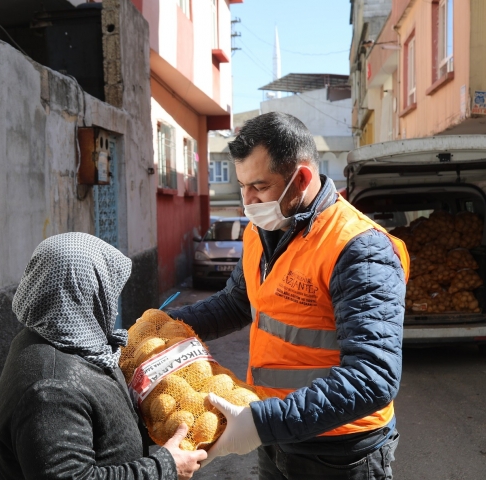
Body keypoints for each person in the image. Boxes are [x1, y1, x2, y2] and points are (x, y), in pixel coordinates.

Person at [167, 112, 409, 479]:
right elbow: (235, 302)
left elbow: (373, 376)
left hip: (340, 451)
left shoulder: (358, 248)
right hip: (276, 435)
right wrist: (164, 327)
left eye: (259, 187)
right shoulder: (261, 231)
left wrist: (261, 422)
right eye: (241, 186)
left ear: (302, 179)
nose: (247, 202)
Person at [0, 232, 206, 480]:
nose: (112, 304)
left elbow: (96, 419)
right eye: (109, 290)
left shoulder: (58, 340)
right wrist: (165, 467)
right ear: (87, 293)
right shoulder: (51, 389)